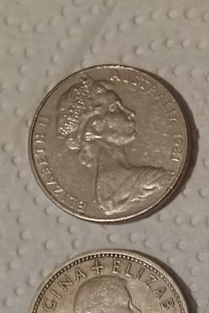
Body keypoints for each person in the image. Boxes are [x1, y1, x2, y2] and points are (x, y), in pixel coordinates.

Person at [56, 76, 174, 215]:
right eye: (114, 108)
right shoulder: (150, 180)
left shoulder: (145, 179)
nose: (130, 113)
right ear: (96, 127)